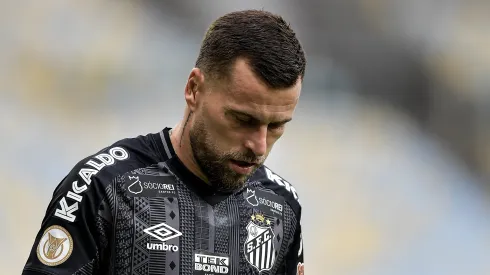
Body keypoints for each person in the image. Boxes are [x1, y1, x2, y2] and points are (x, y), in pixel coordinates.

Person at [22, 9, 306, 275]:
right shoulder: (102, 188)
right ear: (194, 89)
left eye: (276, 125)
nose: (258, 146)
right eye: (243, 120)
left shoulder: (281, 204)